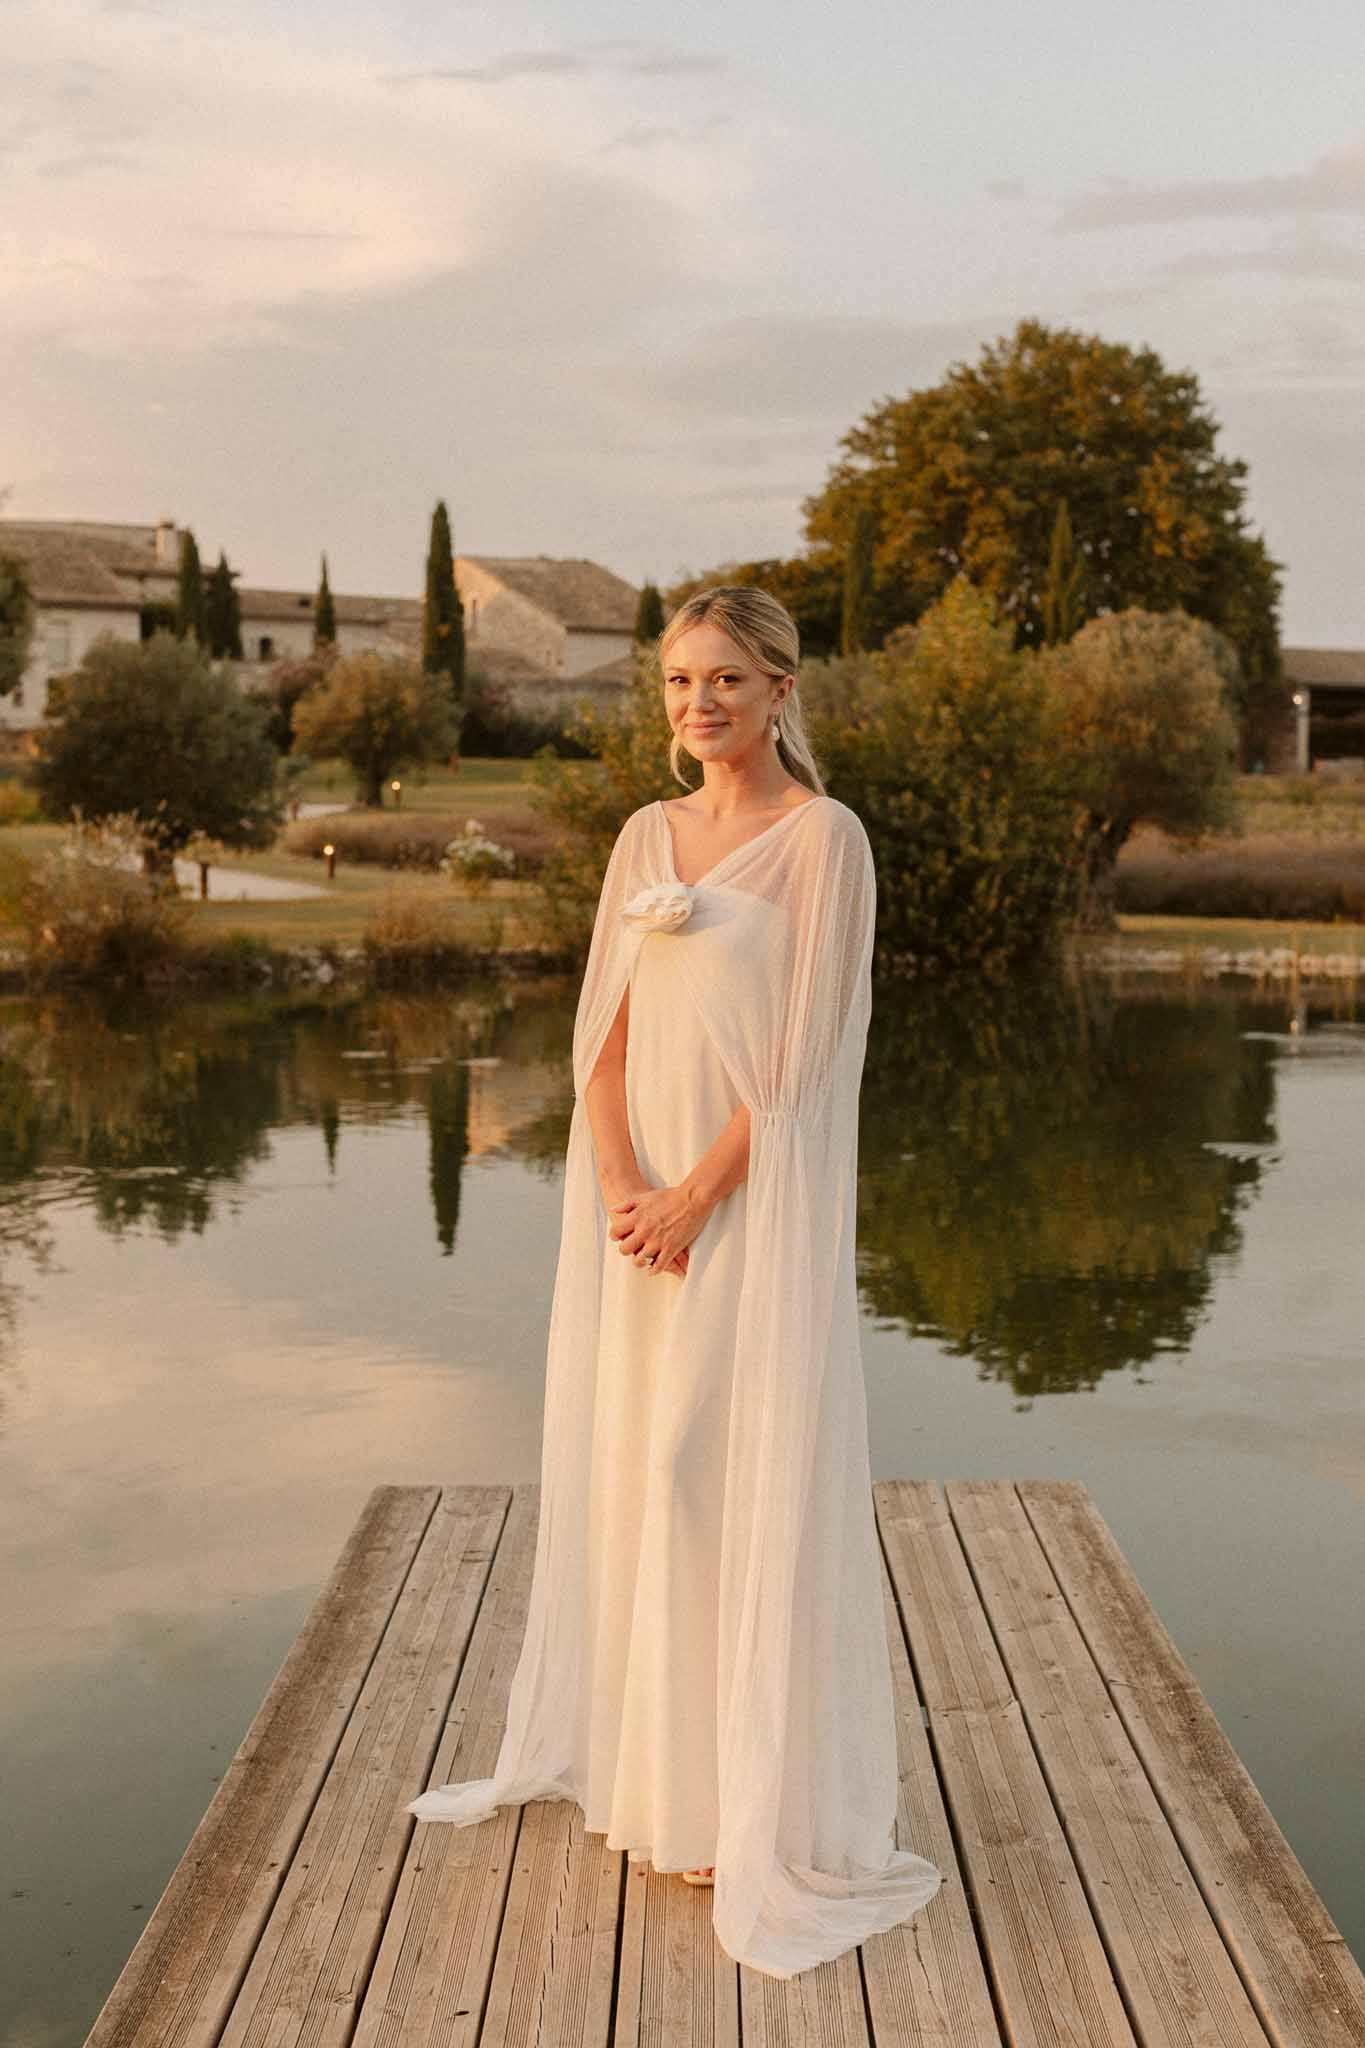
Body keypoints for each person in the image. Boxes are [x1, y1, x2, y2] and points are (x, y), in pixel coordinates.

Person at [408, 585, 943, 1977]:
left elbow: (804, 1061)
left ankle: (750, 1799)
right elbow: (600, 1029)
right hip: (636, 1209)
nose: (696, 704)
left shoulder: (825, 842)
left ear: (779, 690)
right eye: (676, 684)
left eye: (723, 680)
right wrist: (619, 1194)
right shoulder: (646, 836)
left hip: (745, 1215)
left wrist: (700, 1196)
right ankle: (665, 1797)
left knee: (710, 1467)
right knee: (643, 1472)